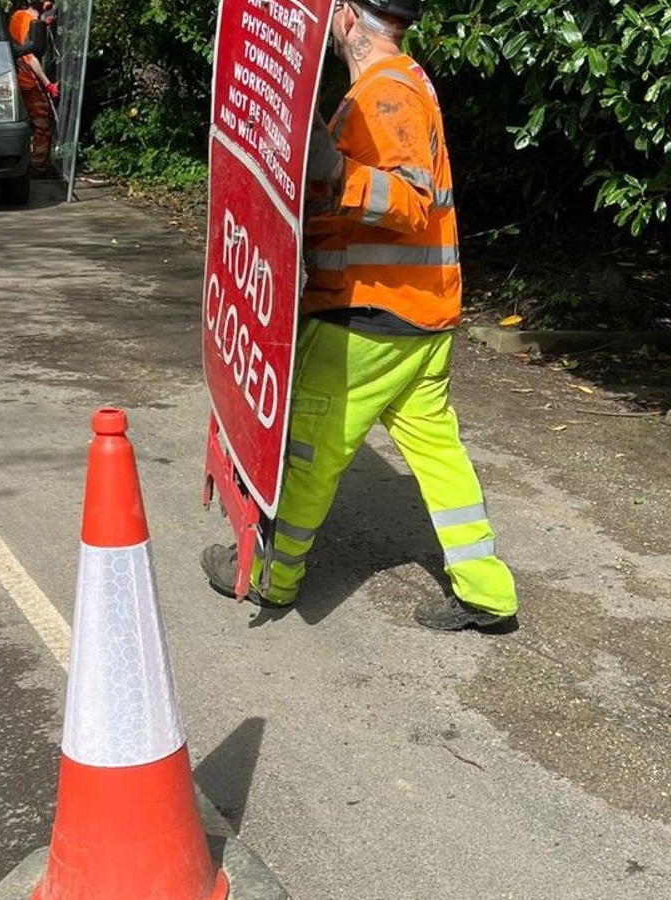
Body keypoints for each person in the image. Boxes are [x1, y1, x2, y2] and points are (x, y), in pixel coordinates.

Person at [202, 0, 519, 631]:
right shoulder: (403, 82)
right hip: (420, 317)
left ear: (347, 16)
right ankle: (485, 588)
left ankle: (273, 576)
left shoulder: (384, 93)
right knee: (438, 453)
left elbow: (411, 201)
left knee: (307, 453)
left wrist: (333, 172)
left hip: (368, 316)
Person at [8, 0, 57, 176]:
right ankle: (38, 167)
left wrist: (43, 25)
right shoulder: (29, 21)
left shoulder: (17, 16)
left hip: (14, 76)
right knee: (43, 122)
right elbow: (30, 57)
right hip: (27, 79)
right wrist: (48, 84)